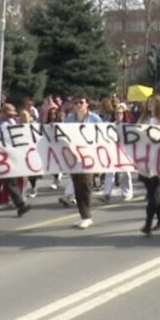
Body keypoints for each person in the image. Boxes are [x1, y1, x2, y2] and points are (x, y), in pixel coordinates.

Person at [63, 95, 101, 229]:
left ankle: (87, 216)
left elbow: (102, 136)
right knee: (77, 186)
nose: (78, 105)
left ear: (87, 104)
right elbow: (62, 135)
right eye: (75, 103)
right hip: (73, 158)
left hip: (89, 158)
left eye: (81, 102)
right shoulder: (68, 120)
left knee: (85, 185)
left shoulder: (94, 119)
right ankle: (83, 215)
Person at [139, 95, 160, 235]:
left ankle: (148, 223)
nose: (149, 105)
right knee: (152, 193)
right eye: (148, 102)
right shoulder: (143, 120)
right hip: (145, 162)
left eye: (152, 102)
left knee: (153, 193)